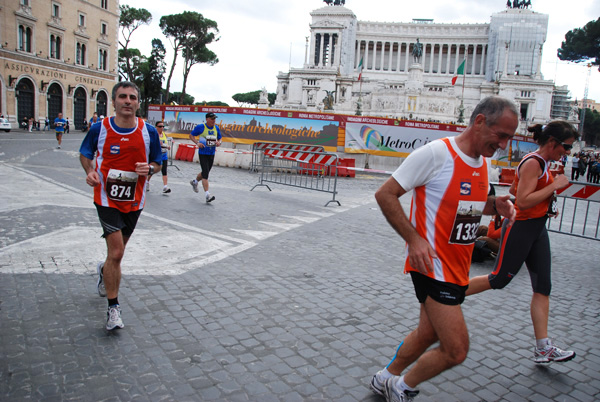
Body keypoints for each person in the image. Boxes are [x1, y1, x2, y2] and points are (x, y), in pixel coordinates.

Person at [369, 96, 518, 401]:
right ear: (479, 122)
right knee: (456, 349)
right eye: (501, 135)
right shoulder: (437, 154)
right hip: (433, 266)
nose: (504, 144)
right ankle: (402, 387)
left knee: (428, 333)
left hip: (457, 267)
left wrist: (494, 206)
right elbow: (386, 194)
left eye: (509, 138)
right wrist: (414, 239)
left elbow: (468, 207)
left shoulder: (482, 163)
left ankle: (385, 377)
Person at [467, 121, 579, 364]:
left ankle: (543, 348)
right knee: (498, 279)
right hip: (521, 226)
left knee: (543, 287)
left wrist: (549, 201)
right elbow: (524, 201)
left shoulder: (544, 163)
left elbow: (533, 197)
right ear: (552, 143)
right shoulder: (533, 162)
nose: (568, 153)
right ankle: (445, 297)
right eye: (567, 147)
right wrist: (555, 186)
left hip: (537, 228)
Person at [79, 81, 162, 331]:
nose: (128, 101)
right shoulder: (99, 128)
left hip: (134, 200)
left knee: (116, 254)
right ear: (113, 101)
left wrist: (150, 169)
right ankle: (113, 308)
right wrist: (90, 170)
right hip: (105, 198)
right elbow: (85, 153)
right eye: (123, 97)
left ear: (138, 102)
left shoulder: (149, 132)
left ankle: (104, 271)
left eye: (133, 97)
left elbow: (158, 162)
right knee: (117, 253)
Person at [189, 112, 222, 203]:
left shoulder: (216, 128)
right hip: (203, 153)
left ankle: (195, 182)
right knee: (206, 174)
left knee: (205, 172)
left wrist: (219, 142)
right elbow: (191, 135)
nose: (213, 121)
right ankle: (207, 195)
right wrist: (197, 143)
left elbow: (220, 138)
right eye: (212, 119)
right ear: (207, 119)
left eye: (215, 119)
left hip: (211, 153)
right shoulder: (201, 127)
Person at [147, 121, 171, 194]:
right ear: (156, 127)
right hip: (156, 155)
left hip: (164, 155)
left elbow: (165, 143)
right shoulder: (154, 135)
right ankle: (147, 182)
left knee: (164, 171)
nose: (162, 128)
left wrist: (168, 146)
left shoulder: (163, 134)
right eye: (160, 126)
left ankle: (165, 186)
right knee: (152, 171)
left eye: (163, 126)